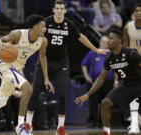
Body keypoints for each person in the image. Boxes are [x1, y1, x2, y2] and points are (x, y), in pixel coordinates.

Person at [26, 0, 108, 135]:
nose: (59, 11)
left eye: (61, 8)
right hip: (45, 61)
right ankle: (28, 124)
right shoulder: (46, 22)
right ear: (53, 10)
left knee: (62, 95)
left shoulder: (69, 24)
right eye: (57, 8)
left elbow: (81, 37)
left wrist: (96, 50)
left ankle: (60, 128)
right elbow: (33, 35)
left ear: (65, 10)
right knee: (35, 93)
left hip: (60, 63)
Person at [0, 14, 54, 135]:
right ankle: (21, 126)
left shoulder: (43, 41)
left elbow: (43, 57)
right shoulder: (18, 34)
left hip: (17, 69)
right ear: (34, 27)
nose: (45, 29)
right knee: (27, 89)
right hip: (5, 66)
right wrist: (3, 46)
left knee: (2, 101)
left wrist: (46, 78)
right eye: (42, 26)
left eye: (45, 27)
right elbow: (0, 40)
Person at [75, 29, 141, 135]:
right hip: (127, 86)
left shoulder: (131, 54)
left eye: (111, 39)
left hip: (139, 85)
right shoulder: (109, 59)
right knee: (105, 103)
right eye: (107, 39)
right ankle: (106, 132)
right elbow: (101, 78)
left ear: (119, 41)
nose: (107, 41)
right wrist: (88, 94)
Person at [81, 36, 115, 128]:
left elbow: (116, 69)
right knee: (93, 102)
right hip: (94, 83)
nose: (104, 43)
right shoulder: (93, 53)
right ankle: (92, 121)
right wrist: (86, 77)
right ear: (100, 42)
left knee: (106, 103)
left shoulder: (112, 54)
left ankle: (104, 122)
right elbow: (84, 64)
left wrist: (115, 81)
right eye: (103, 41)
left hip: (108, 83)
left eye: (106, 42)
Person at [123, 3, 141, 134]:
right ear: (133, 13)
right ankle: (134, 124)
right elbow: (124, 47)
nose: (139, 12)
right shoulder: (128, 27)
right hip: (134, 65)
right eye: (137, 10)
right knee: (133, 95)